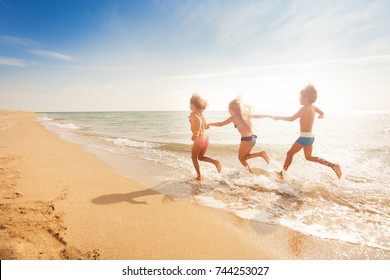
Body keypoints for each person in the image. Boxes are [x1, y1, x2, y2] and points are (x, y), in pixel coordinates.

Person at [271, 84, 342, 179]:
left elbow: (291, 118)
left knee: (289, 153)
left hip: (304, 137)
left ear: (306, 98)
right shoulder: (314, 107)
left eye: (301, 97)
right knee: (309, 157)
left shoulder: (304, 109)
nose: (299, 99)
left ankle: (282, 173)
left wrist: (278, 118)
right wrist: (320, 116)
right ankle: (333, 165)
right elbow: (322, 113)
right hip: (310, 137)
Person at [208, 97, 270, 174]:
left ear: (233, 110)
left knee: (240, 158)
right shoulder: (245, 115)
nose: (228, 111)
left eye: (229, 109)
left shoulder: (233, 118)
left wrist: (209, 124)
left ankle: (251, 172)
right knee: (245, 157)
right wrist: (270, 116)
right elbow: (258, 116)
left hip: (246, 139)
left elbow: (221, 124)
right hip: (253, 138)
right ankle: (260, 154)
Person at [189, 93, 221, 180]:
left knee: (194, 157)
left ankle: (199, 175)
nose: (189, 106)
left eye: (190, 104)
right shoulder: (201, 115)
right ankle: (215, 161)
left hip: (199, 138)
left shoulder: (193, 114)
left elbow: (199, 123)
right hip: (205, 138)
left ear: (193, 105)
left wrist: (195, 133)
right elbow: (205, 126)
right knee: (200, 157)